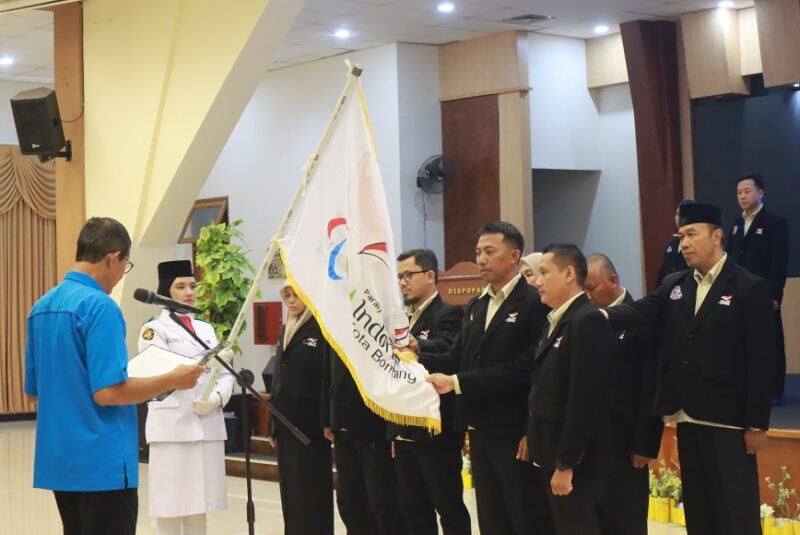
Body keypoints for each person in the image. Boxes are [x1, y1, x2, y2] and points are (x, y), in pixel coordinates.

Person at [603, 203, 776, 535]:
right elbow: (642, 310)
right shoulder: (675, 283)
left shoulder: (748, 286)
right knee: (699, 509)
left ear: (717, 236)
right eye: (681, 236)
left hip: (730, 421)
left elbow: (762, 360)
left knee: (735, 512)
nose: (683, 243)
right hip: (687, 415)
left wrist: (757, 423)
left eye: (692, 234)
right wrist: (599, 315)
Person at [24, 217, 204, 535]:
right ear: (112, 258)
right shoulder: (100, 307)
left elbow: (34, 391)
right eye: (125, 265)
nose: (122, 275)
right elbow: (108, 392)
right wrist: (172, 379)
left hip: (61, 460)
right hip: (102, 462)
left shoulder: (41, 307)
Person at [427, 221, 555, 535]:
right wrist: (414, 358)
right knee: (491, 518)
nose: (481, 259)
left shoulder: (534, 303)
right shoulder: (476, 305)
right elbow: (456, 356)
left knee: (525, 517)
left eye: (489, 251)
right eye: (478, 252)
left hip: (515, 430)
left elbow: (527, 368)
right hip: (479, 427)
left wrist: (457, 383)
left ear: (514, 255)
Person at [138, 260, 234, 535]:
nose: (189, 292)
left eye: (192, 286)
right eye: (180, 286)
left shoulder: (206, 329)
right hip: (172, 429)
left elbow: (225, 374)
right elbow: (161, 370)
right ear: (165, 291)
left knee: (199, 507)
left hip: (206, 425)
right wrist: (205, 362)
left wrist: (216, 398)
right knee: (168, 507)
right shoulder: (154, 329)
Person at [527, 244, 615, 535]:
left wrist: (566, 462)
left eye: (544, 273)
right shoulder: (556, 319)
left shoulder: (586, 320)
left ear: (568, 274)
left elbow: (585, 399)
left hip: (575, 462)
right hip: (550, 450)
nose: (537, 281)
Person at [389, 248, 470, 535]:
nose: (403, 283)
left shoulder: (448, 314)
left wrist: (419, 346)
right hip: (405, 429)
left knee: (448, 508)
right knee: (413, 511)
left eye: (408, 275)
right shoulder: (400, 320)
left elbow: (449, 350)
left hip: (437, 431)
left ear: (430, 275)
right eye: (399, 277)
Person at [584, 254, 663, 535]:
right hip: (595, 441)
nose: (587, 295)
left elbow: (651, 383)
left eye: (591, 288)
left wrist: (645, 442)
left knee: (625, 520)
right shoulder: (587, 320)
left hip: (627, 441)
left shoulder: (642, 319)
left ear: (613, 281)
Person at [321, 319, 404, 534]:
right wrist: (327, 419)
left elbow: (391, 373)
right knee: (348, 501)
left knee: (381, 500)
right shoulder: (335, 321)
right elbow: (327, 373)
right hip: (341, 424)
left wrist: (393, 428)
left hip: (373, 425)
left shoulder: (376, 318)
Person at [266, 282, 334, 535]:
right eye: (287, 296)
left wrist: (328, 420)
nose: (291, 301)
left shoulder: (322, 328)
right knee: (291, 493)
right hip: (285, 426)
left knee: (312, 493)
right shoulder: (286, 328)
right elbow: (277, 379)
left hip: (311, 427)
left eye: (297, 295)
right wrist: (272, 424)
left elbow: (327, 378)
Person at [726, 174, 789, 404]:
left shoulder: (775, 222)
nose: (742, 196)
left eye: (747, 191)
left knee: (770, 341)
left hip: (764, 292)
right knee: (743, 340)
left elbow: (779, 262)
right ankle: (748, 387)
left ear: (760, 193)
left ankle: (775, 390)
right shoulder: (736, 224)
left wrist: (775, 294)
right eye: (739, 193)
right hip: (739, 291)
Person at [655, 199, 695, 290]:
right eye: (677, 214)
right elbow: (661, 276)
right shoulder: (670, 247)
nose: (678, 218)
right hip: (668, 294)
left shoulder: (697, 245)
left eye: (682, 214)